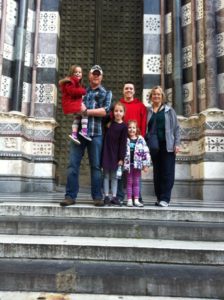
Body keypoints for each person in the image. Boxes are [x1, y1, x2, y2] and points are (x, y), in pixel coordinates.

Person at [60, 65, 112, 207]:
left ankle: (97, 196)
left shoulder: (106, 93)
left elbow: (105, 111)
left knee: (95, 166)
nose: (96, 76)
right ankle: (70, 196)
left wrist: (86, 111)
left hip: (96, 134)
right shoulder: (81, 90)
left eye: (98, 74)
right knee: (72, 165)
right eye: (93, 74)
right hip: (79, 134)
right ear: (89, 76)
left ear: (101, 77)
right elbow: (70, 102)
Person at [146, 86, 180, 207]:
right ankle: (159, 197)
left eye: (158, 94)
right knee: (157, 172)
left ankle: (165, 198)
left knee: (167, 172)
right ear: (151, 97)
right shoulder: (147, 111)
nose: (156, 96)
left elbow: (176, 128)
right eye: (154, 94)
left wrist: (177, 144)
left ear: (162, 96)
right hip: (154, 146)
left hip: (168, 145)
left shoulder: (169, 110)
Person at [117, 81, 147, 203]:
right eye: (126, 88)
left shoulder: (141, 106)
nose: (129, 90)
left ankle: (137, 197)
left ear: (134, 91)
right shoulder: (119, 105)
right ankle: (119, 196)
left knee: (136, 171)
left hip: (136, 141)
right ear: (123, 91)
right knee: (120, 169)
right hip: (122, 142)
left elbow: (144, 124)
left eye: (131, 88)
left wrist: (141, 139)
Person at [102, 101, 128, 206]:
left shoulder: (124, 127)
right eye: (116, 111)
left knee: (114, 177)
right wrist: (110, 116)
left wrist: (121, 158)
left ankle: (114, 196)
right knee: (105, 175)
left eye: (120, 111)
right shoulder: (109, 124)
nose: (118, 113)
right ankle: (106, 196)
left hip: (116, 154)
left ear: (124, 113)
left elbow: (123, 143)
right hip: (106, 152)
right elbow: (104, 116)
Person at [59, 65, 91, 145]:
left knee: (77, 117)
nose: (78, 74)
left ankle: (74, 134)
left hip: (72, 103)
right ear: (71, 73)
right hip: (72, 103)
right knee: (85, 113)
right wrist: (82, 91)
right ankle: (84, 131)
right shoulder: (70, 82)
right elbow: (72, 91)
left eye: (80, 72)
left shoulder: (75, 82)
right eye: (76, 72)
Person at [123, 120, 150, 207]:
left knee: (136, 182)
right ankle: (129, 199)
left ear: (136, 129)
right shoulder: (125, 139)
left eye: (133, 128)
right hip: (128, 165)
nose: (131, 130)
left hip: (137, 165)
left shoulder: (140, 139)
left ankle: (136, 200)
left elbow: (145, 152)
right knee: (129, 182)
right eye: (130, 128)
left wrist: (145, 164)